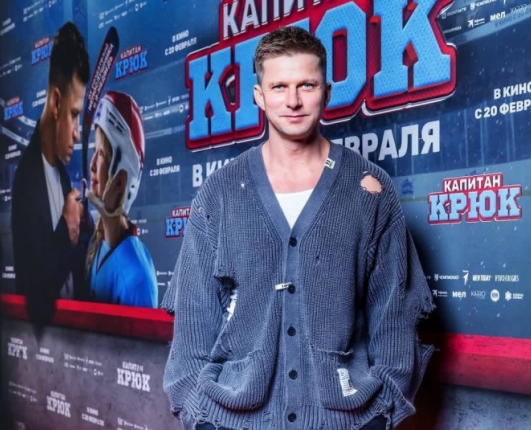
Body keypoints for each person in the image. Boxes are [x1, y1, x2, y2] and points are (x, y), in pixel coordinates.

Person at [162, 26, 434, 430]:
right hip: (234, 421)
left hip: (345, 420)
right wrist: (200, 418)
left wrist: (381, 416)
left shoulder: (369, 189)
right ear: (259, 96)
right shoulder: (220, 192)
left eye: (306, 85)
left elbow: (394, 315)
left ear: (327, 92)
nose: (293, 101)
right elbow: (194, 321)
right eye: (279, 87)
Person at [11, 22, 91, 325]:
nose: (77, 134)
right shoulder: (25, 181)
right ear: (56, 103)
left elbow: (71, 274)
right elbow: (35, 295)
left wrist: (86, 233)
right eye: (74, 115)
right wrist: (67, 231)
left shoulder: (63, 177)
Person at [85, 91, 157, 308]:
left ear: (119, 182)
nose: (92, 165)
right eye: (94, 151)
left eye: (101, 154)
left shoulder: (137, 279)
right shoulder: (98, 244)